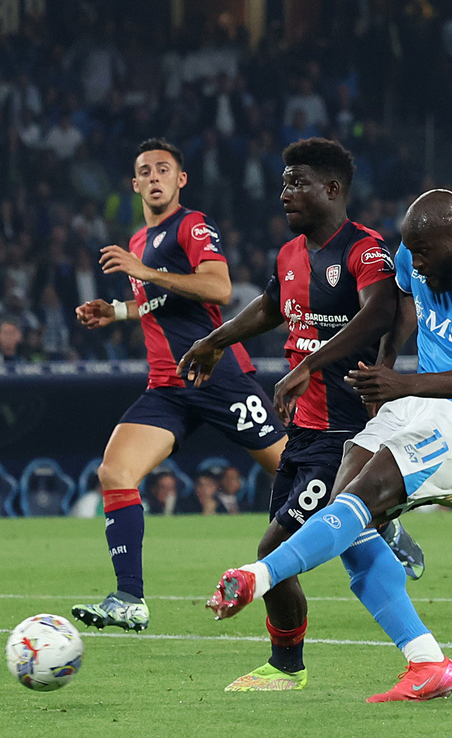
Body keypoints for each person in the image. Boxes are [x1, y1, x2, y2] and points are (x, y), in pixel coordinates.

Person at [198, 188, 452, 702]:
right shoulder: (415, 252)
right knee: (347, 517)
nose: (416, 263)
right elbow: (403, 302)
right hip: (421, 404)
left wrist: (402, 383)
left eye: (426, 253)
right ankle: (428, 661)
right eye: (412, 252)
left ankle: (255, 576)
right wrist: (386, 365)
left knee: (365, 499)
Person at [179, 138, 450, 692]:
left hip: (349, 431)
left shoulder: (365, 250)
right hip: (303, 431)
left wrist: (312, 364)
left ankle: (287, 666)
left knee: (272, 549)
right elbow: (273, 306)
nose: (285, 193)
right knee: (338, 543)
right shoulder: (290, 254)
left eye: (296, 182)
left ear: (332, 189)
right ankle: (386, 523)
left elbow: (381, 311)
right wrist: (215, 339)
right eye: (283, 182)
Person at [70, 138, 290, 633]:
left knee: (296, 470)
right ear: (134, 183)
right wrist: (118, 311)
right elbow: (159, 303)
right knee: (115, 471)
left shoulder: (192, 225)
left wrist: (145, 273)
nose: (153, 176)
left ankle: (380, 522)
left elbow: (219, 288)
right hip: (168, 386)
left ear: (179, 179)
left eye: (163, 169)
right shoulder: (135, 243)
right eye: (144, 170)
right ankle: (129, 598)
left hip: (216, 373)